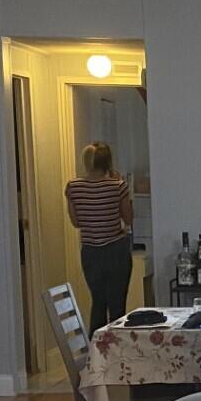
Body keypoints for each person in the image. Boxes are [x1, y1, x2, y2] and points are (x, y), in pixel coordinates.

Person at [65, 141, 134, 332]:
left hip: (90, 253)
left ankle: (96, 346)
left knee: (98, 301)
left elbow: (76, 222)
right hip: (116, 250)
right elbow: (128, 218)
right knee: (117, 305)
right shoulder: (118, 186)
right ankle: (117, 345)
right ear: (107, 162)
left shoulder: (73, 187)